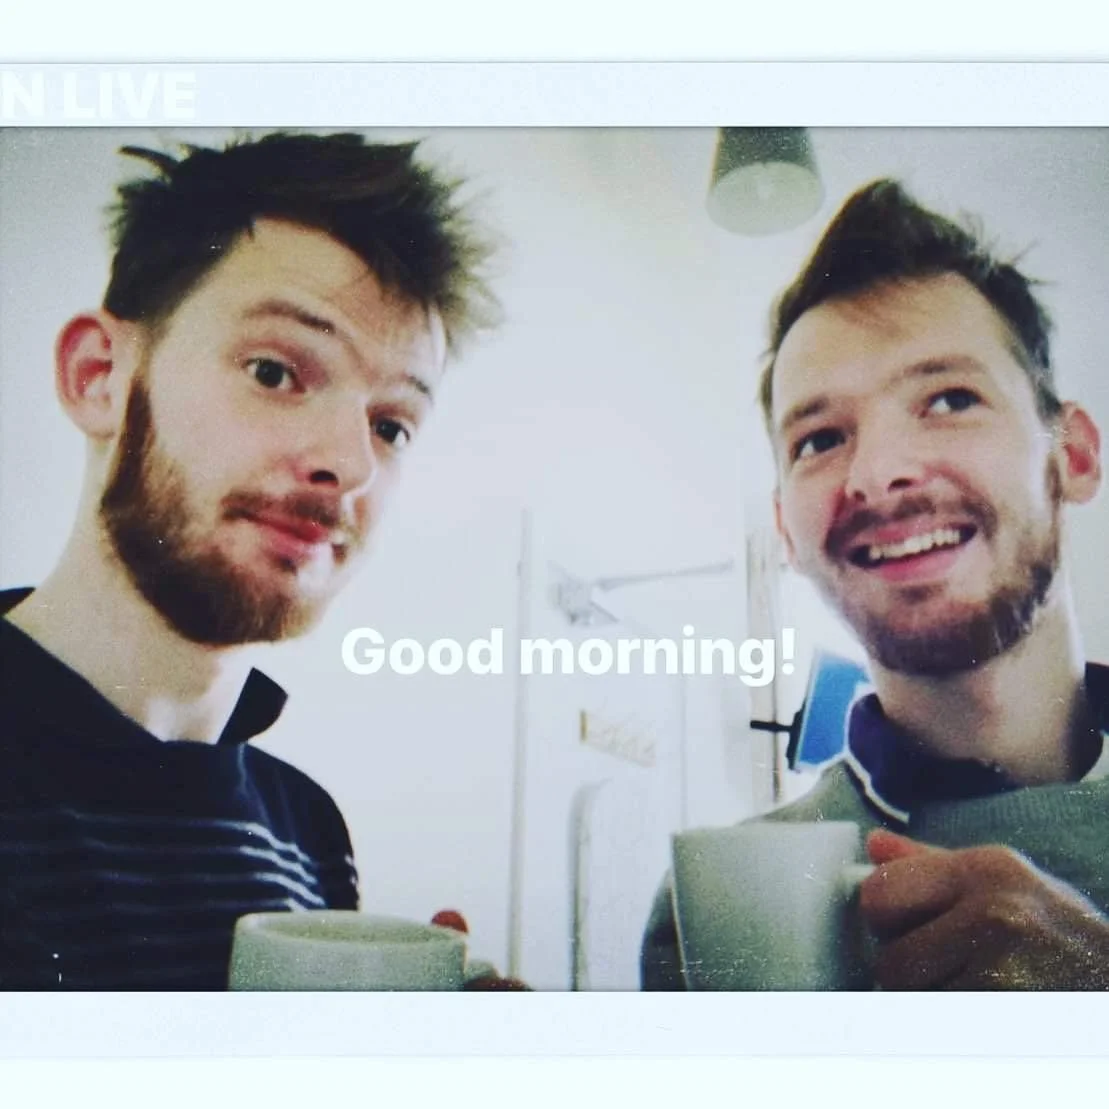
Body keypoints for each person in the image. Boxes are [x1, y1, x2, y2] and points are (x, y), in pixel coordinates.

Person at [0, 132, 499, 989]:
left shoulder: (310, 829)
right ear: (100, 376)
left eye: (391, 424)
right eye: (275, 371)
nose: (351, 464)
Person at [642, 179, 1109, 990]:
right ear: (786, 529)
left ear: (1070, 454)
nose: (878, 473)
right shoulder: (707, 907)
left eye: (948, 398)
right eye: (820, 438)